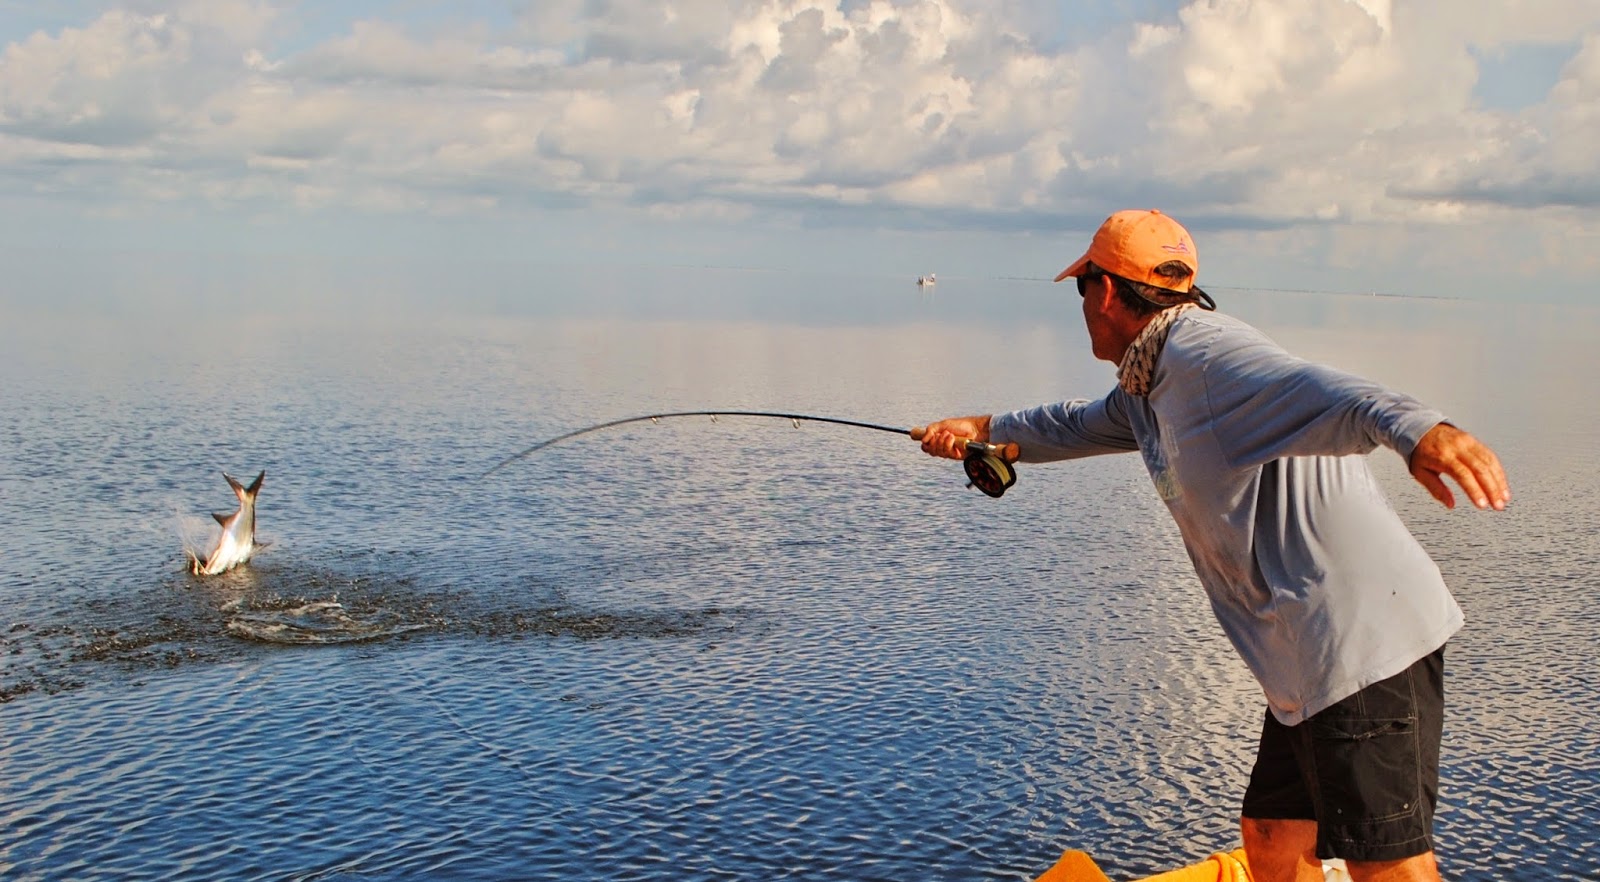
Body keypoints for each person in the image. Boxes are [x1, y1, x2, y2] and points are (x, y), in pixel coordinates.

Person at [916, 209, 1510, 882]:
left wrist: (1422, 431)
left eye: (1080, 287)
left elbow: (1325, 389)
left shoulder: (1206, 357)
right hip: (1304, 667)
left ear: (1105, 290)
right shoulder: (1149, 384)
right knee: (1270, 836)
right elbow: (1077, 423)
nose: (1081, 304)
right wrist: (983, 428)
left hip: (1362, 645)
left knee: (1391, 867)